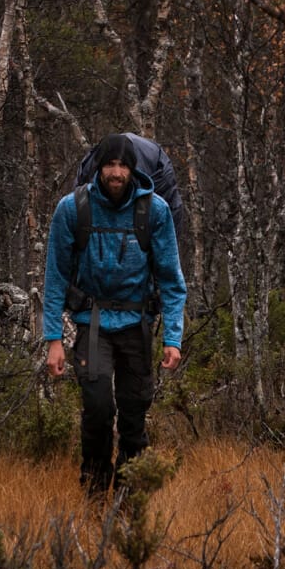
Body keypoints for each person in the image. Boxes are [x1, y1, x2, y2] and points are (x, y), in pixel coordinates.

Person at [43, 132, 187, 493]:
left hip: (136, 324)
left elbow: (171, 278)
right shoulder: (72, 209)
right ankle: (94, 492)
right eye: (110, 164)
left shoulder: (155, 211)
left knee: (134, 413)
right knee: (97, 409)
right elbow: (55, 277)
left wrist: (172, 338)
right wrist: (53, 340)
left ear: (133, 169)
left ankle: (131, 495)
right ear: (98, 168)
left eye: (123, 165)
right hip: (91, 324)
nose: (116, 172)